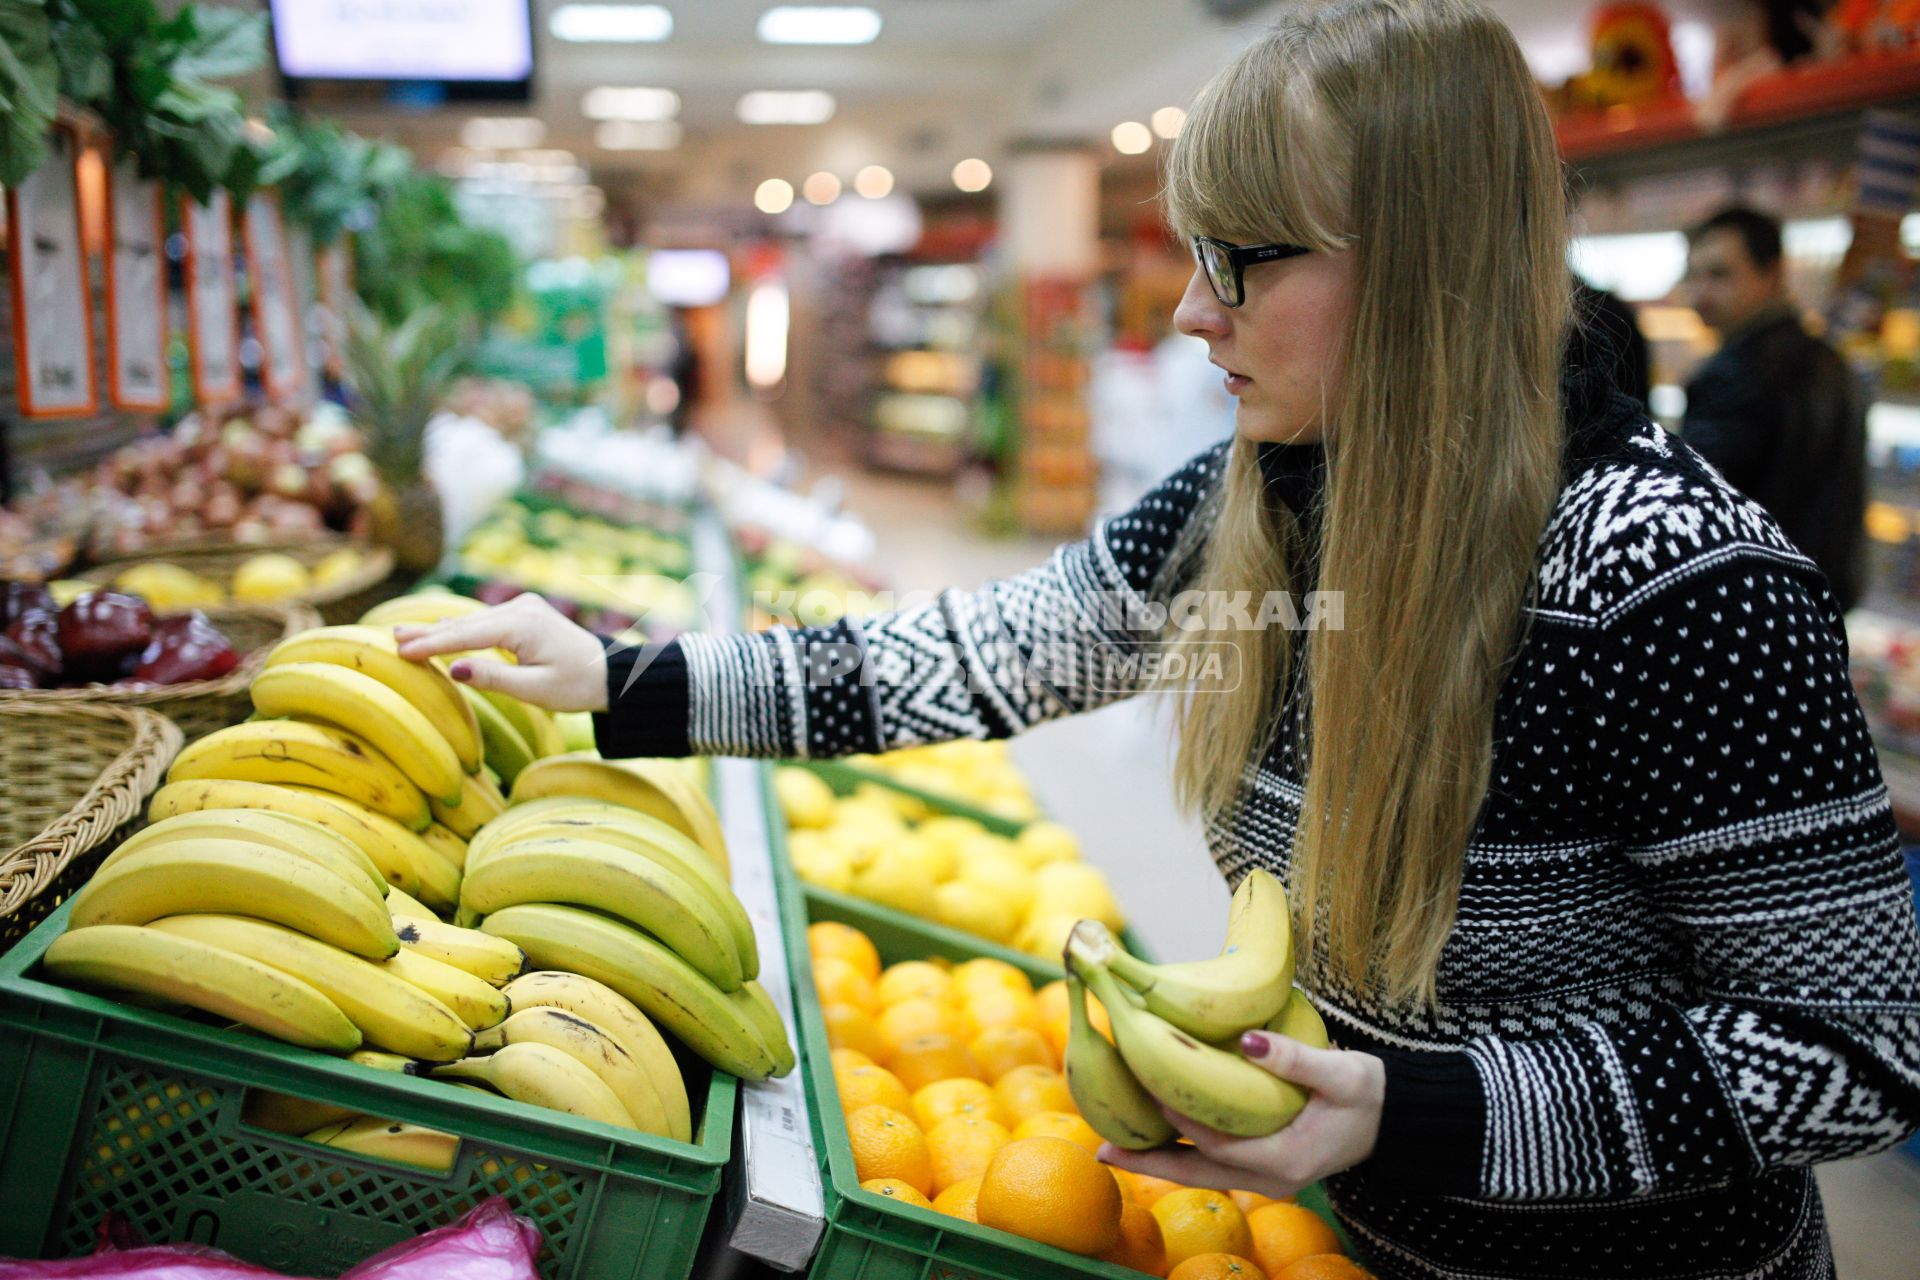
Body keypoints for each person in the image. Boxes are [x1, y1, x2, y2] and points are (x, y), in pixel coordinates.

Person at [399, 3, 1920, 1275]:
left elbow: (1859, 1043)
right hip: (1344, 1240)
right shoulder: (1272, 494)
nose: (1193, 312)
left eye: (1243, 257)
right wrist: (623, 682)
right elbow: (990, 651)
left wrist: (1418, 1109)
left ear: (1423, 262)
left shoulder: (1679, 581)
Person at [1681, 206, 1868, 610]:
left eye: (1720, 274)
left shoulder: (1736, 372)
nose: (1701, 293)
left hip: (1755, 603)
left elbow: (1700, 507)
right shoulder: (1829, 360)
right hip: (1820, 596)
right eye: (1693, 275)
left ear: (1773, 274)